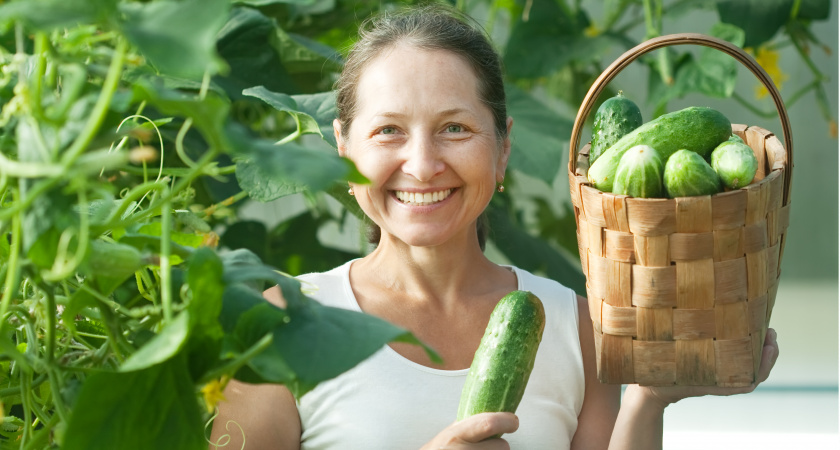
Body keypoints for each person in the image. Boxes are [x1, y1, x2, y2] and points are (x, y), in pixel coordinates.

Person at [210, 4, 779, 449]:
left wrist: (647, 400)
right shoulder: (279, 324)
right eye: (388, 131)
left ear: (502, 149)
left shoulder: (578, 328)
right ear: (342, 148)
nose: (423, 163)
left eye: (455, 128)